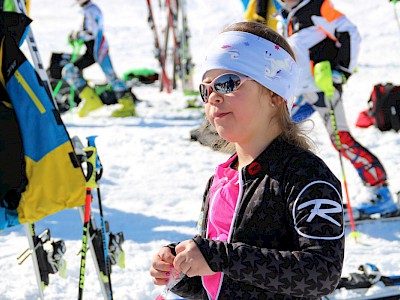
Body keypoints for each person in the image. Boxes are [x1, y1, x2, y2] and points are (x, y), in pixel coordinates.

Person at [150, 21, 345, 299]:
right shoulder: (223, 178)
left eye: (228, 83)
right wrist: (182, 267)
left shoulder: (305, 174)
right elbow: (224, 282)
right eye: (206, 90)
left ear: (274, 94)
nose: (213, 97)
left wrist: (218, 256)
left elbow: (322, 273)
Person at [275, 0, 398, 217]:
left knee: (341, 140)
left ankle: (381, 194)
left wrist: (341, 70)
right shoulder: (286, 16)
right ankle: (280, 197)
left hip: (324, 88)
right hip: (298, 92)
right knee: (274, 134)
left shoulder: (318, 7)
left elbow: (349, 32)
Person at [62, 0, 137, 117]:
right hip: (90, 51)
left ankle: (128, 105)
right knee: (69, 70)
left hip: (99, 49)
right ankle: (90, 99)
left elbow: (91, 32)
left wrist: (77, 35)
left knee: (111, 76)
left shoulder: (92, 10)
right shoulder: (85, 10)